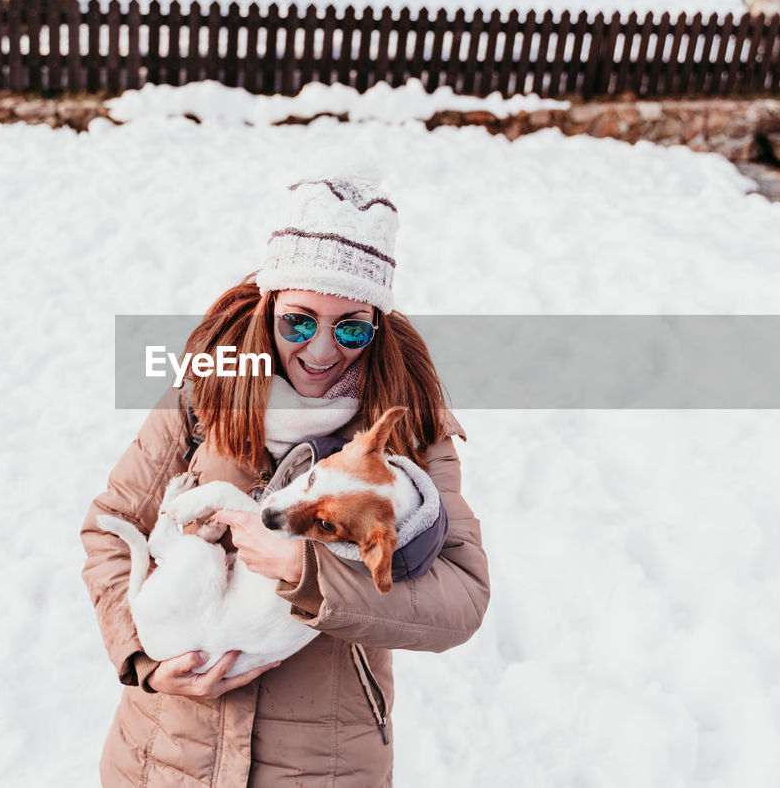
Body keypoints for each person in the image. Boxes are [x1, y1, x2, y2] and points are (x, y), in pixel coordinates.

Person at [79, 176, 490, 787]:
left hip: (320, 767)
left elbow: (462, 599)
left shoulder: (406, 426)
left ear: (377, 322)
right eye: (299, 322)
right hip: (166, 754)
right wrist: (142, 661)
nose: (323, 351)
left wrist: (313, 576)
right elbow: (110, 527)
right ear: (269, 305)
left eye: (351, 327)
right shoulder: (205, 391)